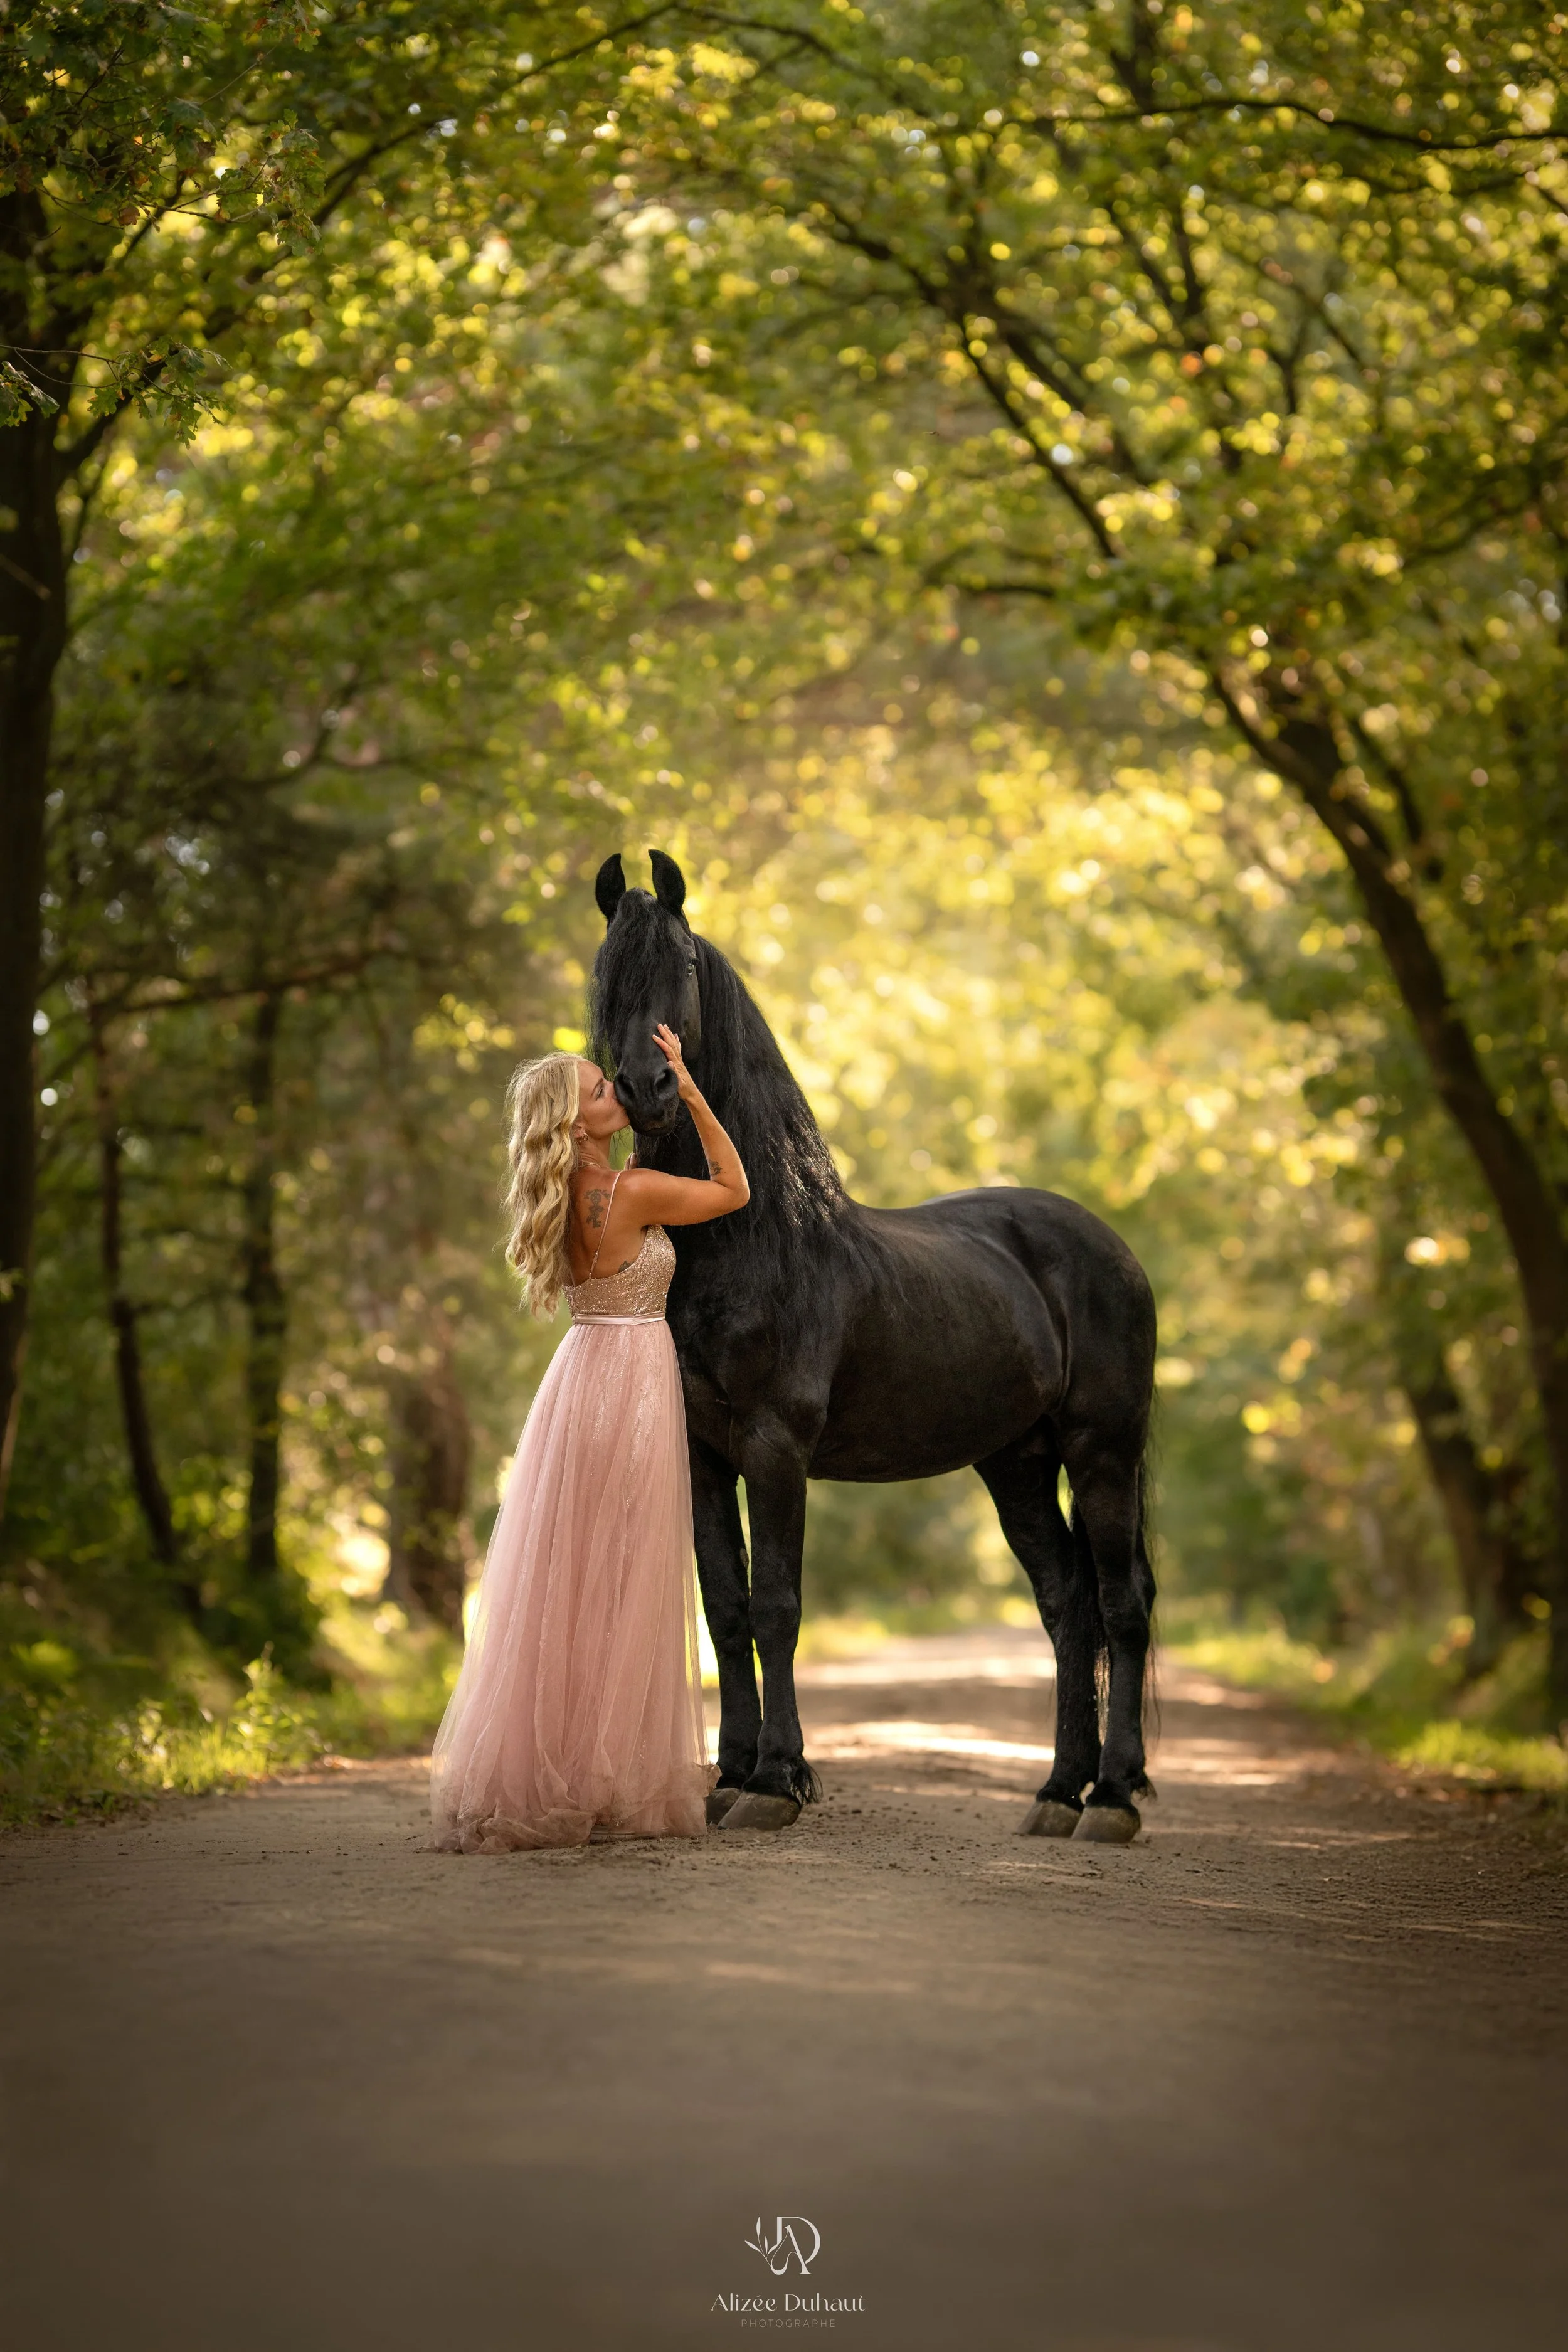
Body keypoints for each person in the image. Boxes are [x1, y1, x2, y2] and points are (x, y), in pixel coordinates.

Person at [430, 1022, 749, 1851]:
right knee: (627, 1574)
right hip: (636, 1379)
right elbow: (733, 1186)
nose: (618, 1092)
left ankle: (564, 1770)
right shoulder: (630, 1192)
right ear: (577, 1124)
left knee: (570, 1578)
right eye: (602, 1090)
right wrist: (689, 1088)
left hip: (578, 1380)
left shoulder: (560, 1199)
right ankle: (607, 1776)